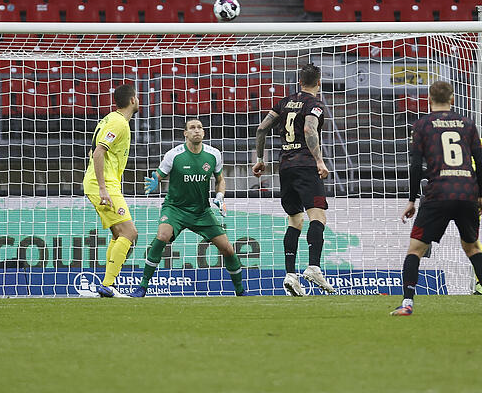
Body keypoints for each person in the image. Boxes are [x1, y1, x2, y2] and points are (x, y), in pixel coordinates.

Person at [391, 81, 482, 316]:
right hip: (466, 192)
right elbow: (481, 164)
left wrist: (412, 199)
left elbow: (414, 165)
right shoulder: (468, 124)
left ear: (429, 99)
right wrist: (479, 194)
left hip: (438, 193)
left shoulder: (422, 125)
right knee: (472, 247)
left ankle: (408, 303)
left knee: (415, 250)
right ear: (452, 99)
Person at [129, 119, 247, 297]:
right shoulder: (173, 155)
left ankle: (240, 291)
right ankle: (142, 287)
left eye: (200, 128)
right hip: (175, 209)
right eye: (192, 128)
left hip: (201, 211)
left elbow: (220, 180)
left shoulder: (214, 154)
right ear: (185, 133)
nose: (197, 131)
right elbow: (159, 175)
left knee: (228, 249)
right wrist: (155, 181)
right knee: (161, 237)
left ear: (204, 133)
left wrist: (220, 196)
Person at [253, 63, 335, 296]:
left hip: (285, 167)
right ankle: (313, 267)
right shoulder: (314, 104)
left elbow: (261, 129)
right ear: (318, 82)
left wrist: (260, 159)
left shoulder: (285, 102)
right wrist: (319, 161)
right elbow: (310, 130)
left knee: (294, 220)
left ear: (299, 82)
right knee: (317, 215)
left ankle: (290, 275)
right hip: (306, 166)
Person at [83, 84, 139, 298]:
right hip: (102, 184)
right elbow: (98, 152)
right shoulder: (118, 122)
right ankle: (108, 284)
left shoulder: (110, 119)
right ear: (133, 100)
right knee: (130, 233)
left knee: (118, 233)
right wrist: (104, 188)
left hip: (103, 182)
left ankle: (107, 286)